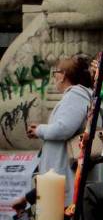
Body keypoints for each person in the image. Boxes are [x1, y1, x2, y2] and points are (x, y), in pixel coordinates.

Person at [26, 55, 92, 203]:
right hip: (66, 174)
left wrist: (39, 130)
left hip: (65, 174)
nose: (54, 77)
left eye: (55, 72)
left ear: (62, 76)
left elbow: (63, 129)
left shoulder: (76, 94)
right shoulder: (80, 95)